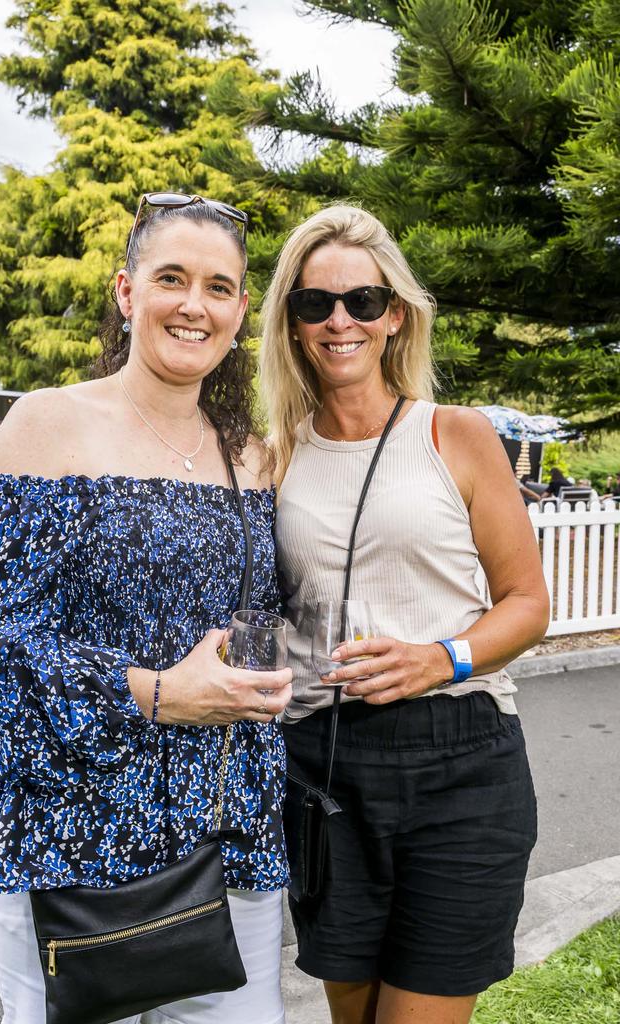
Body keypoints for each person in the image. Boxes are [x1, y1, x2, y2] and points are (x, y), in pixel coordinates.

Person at [0, 193, 293, 1024]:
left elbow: (260, 620)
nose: (193, 305)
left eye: (219, 287)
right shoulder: (45, 425)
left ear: (240, 311)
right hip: (69, 854)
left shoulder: (252, 457)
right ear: (127, 293)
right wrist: (154, 694)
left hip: (225, 846)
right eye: (171, 278)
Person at [260, 205, 550, 1024]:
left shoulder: (456, 435)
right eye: (314, 304)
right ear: (291, 322)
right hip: (326, 767)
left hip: (462, 762)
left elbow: (527, 604)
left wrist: (443, 657)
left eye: (361, 299)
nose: (339, 320)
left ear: (396, 313)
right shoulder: (272, 455)